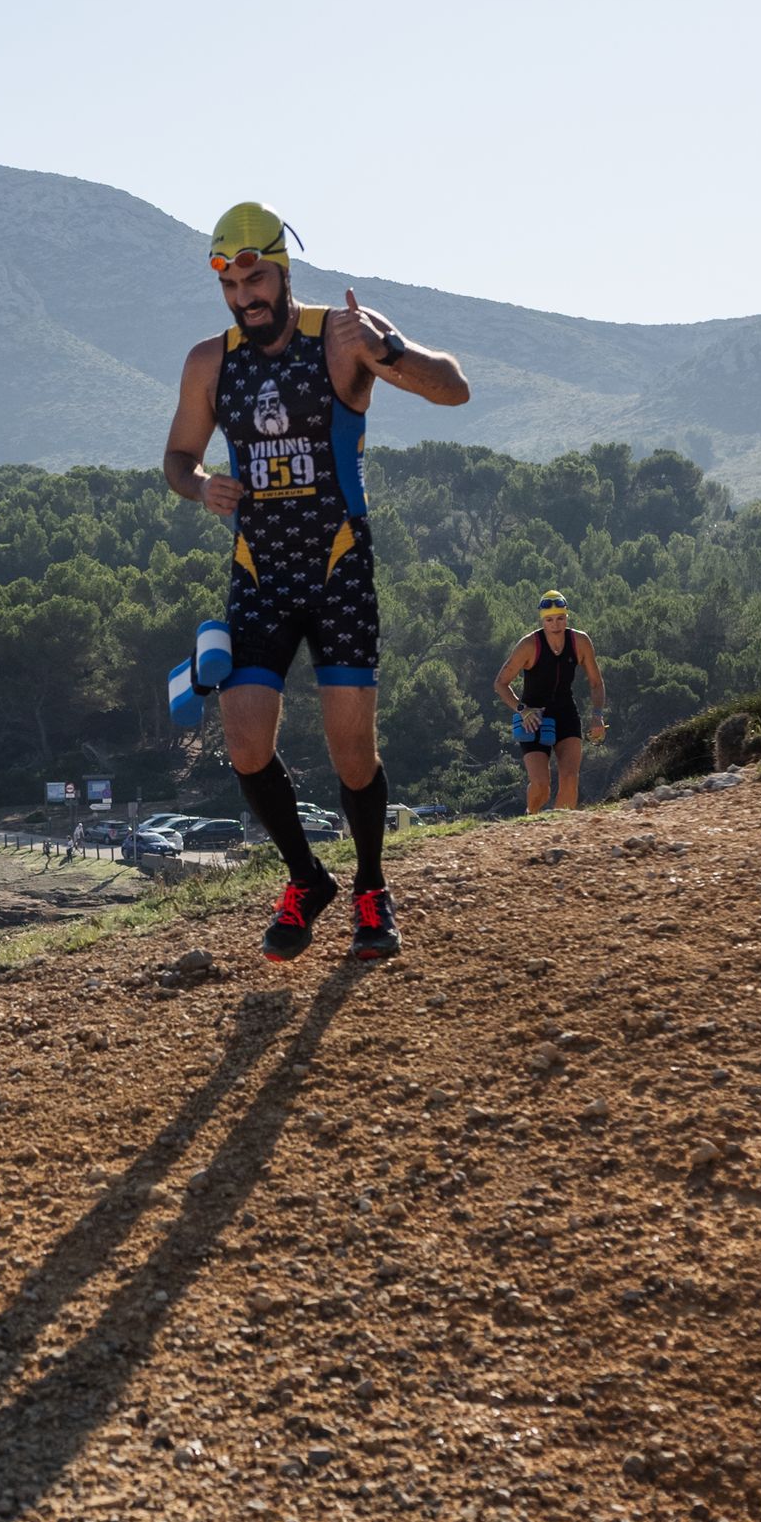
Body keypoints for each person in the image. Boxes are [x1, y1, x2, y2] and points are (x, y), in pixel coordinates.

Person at [163, 203, 470, 959]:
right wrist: (201, 486)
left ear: (282, 269)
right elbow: (178, 457)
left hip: (338, 570)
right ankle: (307, 878)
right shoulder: (210, 361)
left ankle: (371, 887)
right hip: (259, 573)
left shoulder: (341, 334)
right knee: (244, 743)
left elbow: (453, 388)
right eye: (230, 287)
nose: (244, 298)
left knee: (351, 753)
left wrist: (387, 349)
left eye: (255, 281)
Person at [495, 590, 606, 811]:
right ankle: (532, 818)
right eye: (549, 620)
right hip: (534, 718)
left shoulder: (580, 642)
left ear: (567, 617)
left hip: (566, 713)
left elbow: (596, 683)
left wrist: (597, 716)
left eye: (560, 618)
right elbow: (500, 683)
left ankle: (560, 826)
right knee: (541, 786)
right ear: (542, 621)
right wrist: (522, 709)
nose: (555, 625)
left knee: (570, 779)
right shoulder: (529, 645)